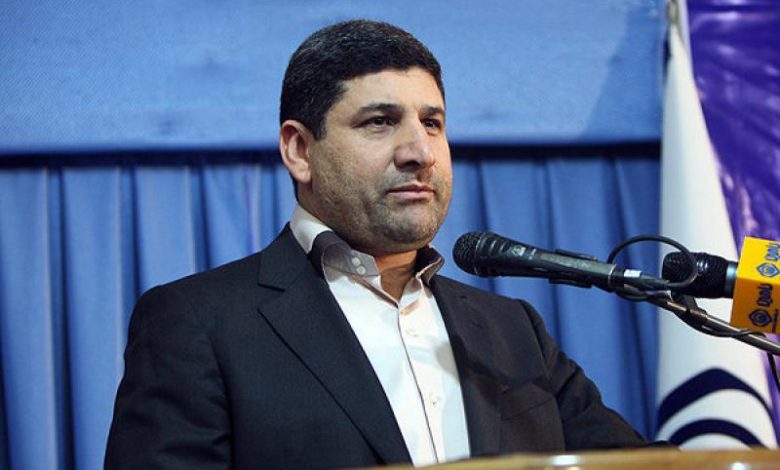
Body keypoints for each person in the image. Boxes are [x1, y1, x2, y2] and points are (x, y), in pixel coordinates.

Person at [105, 19, 648, 469]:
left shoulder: (512, 331)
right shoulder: (198, 322)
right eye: (380, 122)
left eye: (432, 123)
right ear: (299, 150)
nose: (420, 152)